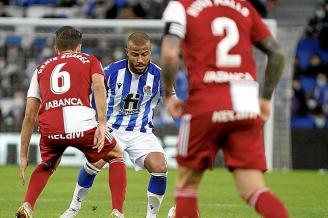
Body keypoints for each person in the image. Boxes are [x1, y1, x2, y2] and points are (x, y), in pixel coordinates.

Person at [161, 1, 289, 218]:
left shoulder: (181, 6)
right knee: (254, 189)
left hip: (206, 98)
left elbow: (171, 54)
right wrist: (265, 99)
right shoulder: (244, 6)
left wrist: (167, 94)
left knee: (187, 185)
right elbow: (277, 54)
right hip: (245, 103)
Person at [15, 26, 126, 218]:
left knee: (48, 163)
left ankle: (27, 205)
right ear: (79, 47)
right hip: (82, 124)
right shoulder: (90, 60)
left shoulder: (40, 68)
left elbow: (29, 116)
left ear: (56, 48)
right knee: (116, 155)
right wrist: (101, 122)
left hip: (51, 128)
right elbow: (99, 86)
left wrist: (23, 155)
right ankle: (117, 212)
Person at [61, 32, 169, 218]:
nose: (140, 59)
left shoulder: (160, 76)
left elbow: (175, 104)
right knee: (94, 163)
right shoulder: (111, 72)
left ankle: (151, 217)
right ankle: (73, 208)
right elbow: (88, 93)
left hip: (141, 132)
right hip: (111, 129)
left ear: (150, 52)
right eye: (135, 54)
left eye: (144, 54)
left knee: (160, 168)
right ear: (127, 52)